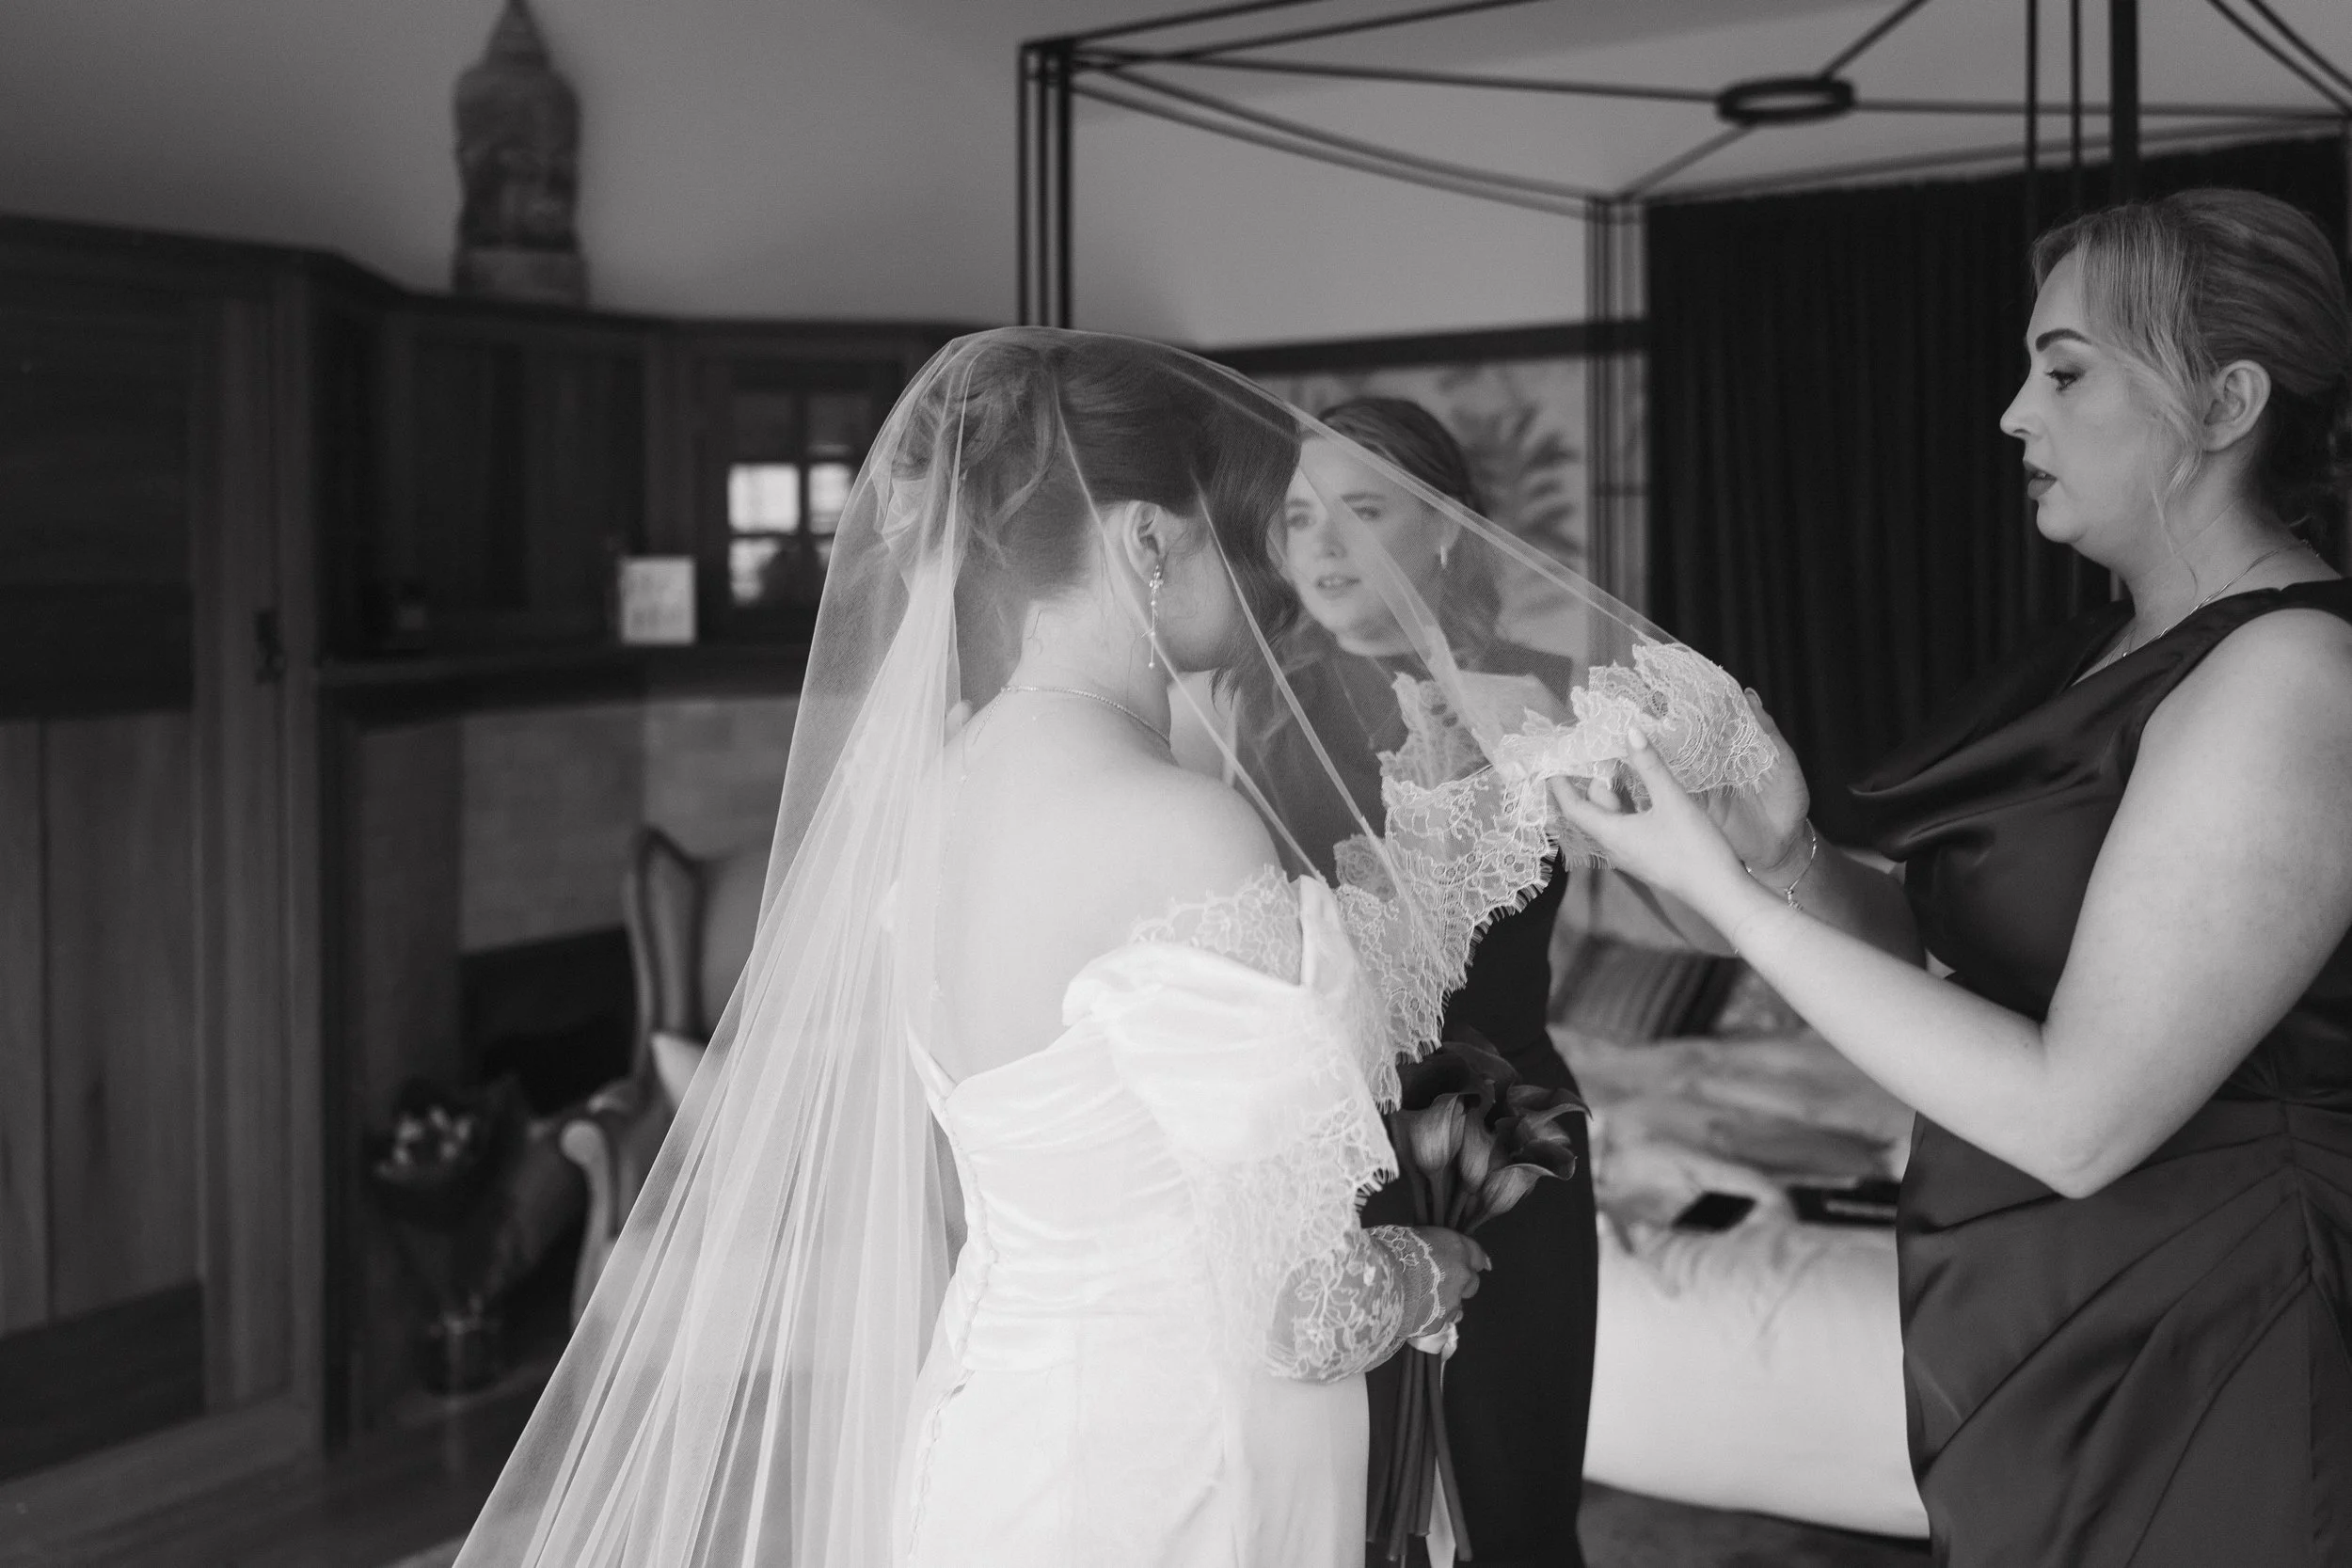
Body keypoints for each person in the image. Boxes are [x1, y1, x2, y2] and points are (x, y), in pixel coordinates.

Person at [450, 329, 1775, 1568]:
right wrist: (1447, 1259)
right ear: (1146, 539)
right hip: (1181, 1461)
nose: (1265, 569)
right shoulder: (1179, 822)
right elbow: (1307, 1305)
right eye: (1235, 533)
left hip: (1004, 1417)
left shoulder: (943, 793)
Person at [1552, 188, 2352, 1567]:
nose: (2013, 415)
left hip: (2216, 1328)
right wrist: (1786, 848)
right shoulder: (2105, 657)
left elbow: (2080, 1115)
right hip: (2049, 1308)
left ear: (2225, 402)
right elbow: (1966, 967)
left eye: (2065, 369)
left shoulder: (2289, 678)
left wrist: (1735, 905)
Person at [1217, 397, 1601, 1568]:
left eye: (1363, 510)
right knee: (1356, 1510)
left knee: (1516, 1503)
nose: (1323, 544)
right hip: (1332, 1155)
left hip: (1514, 1148)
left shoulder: (1544, 696)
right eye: (1296, 516)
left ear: (1443, 532)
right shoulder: (1248, 711)